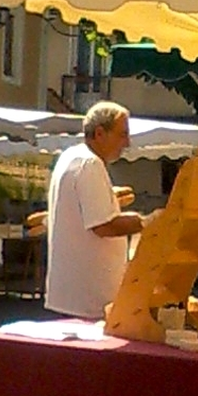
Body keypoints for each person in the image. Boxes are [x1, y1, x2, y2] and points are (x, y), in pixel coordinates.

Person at [45, 102, 149, 320]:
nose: (127, 143)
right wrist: (146, 222)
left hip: (72, 293)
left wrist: (110, 197)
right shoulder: (90, 164)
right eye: (122, 134)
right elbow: (103, 226)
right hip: (91, 297)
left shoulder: (70, 157)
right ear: (100, 133)